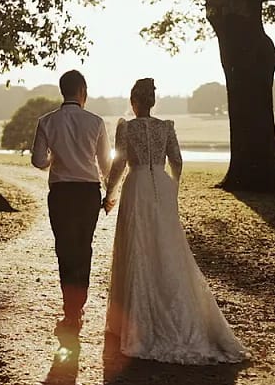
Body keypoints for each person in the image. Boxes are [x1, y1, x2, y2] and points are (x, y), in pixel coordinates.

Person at [103, 78, 246, 365]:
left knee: (137, 246)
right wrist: (172, 188)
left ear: (134, 101)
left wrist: (109, 193)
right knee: (167, 247)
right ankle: (176, 311)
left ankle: (132, 324)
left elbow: (118, 164)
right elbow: (177, 160)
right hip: (162, 187)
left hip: (137, 185)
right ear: (152, 101)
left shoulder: (126, 127)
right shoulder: (166, 127)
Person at [30, 69, 110, 348]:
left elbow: (39, 161)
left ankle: (70, 312)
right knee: (83, 247)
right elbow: (106, 165)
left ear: (62, 90)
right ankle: (78, 309)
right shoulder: (96, 122)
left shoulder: (46, 121)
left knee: (64, 249)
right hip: (88, 192)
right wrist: (109, 194)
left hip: (61, 192)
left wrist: (57, 155)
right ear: (82, 91)